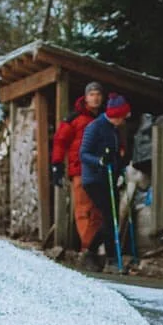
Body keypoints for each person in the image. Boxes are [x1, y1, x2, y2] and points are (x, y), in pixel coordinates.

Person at [77, 94, 135, 269]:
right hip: (94, 179)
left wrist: (120, 165)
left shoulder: (114, 129)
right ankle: (108, 258)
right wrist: (100, 161)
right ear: (115, 115)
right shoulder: (94, 127)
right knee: (110, 218)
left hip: (109, 177)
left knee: (112, 218)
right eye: (122, 116)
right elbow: (83, 154)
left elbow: (114, 153)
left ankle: (94, 254)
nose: (124, 120)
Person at [50, 83, 105, 248]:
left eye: (98, 94)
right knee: (84, 210)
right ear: (86, 98)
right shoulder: (74, 119)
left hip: (100, 170)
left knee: (98, 211)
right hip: (80, 170)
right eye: (92, 94)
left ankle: (93, 248)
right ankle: (88, 248)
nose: (95, 98)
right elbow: (60, 141)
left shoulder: (105, 119)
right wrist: (57, 164)